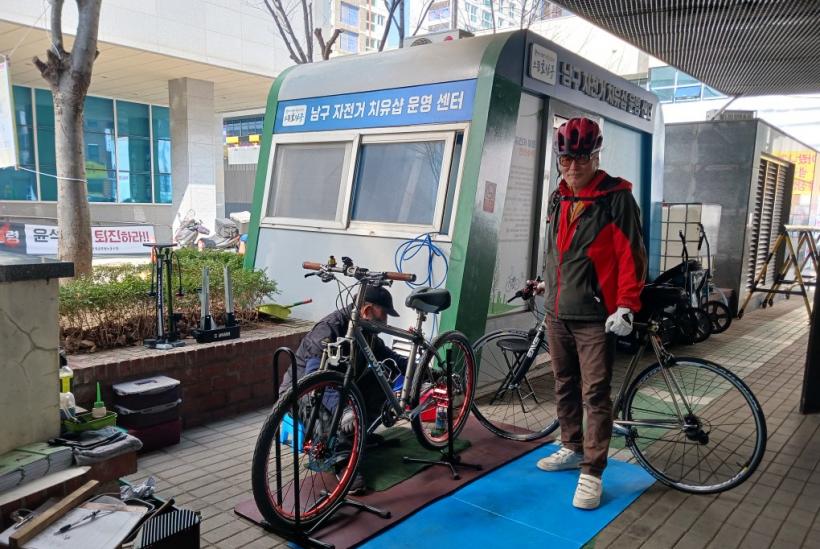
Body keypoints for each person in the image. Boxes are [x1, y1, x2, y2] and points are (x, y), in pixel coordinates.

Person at [535, 117, 647, 510]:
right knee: (564, 384)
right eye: (566, 159)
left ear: (596, 157)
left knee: (595, 394)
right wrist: (547, 283)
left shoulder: (616, 198)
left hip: (595, 318)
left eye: (581, 158)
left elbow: (631, 254)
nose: (573, 167)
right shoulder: (558, 197)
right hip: (557, 312)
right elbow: (557, 251)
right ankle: (571, 446)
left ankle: (592, 472)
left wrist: (627, 304)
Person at [283, 285, 407, 494]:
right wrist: (343, 410)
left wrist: (423, 370)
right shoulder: (329, 328)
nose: (386, 321)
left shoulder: (366, 330)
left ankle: (357, 436)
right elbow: (316, 377)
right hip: (302, 391)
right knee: (322, 403)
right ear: (367, 310)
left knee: (381, 379)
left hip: (339, 388)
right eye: (384, 314)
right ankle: (342, 463)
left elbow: (389, 356)